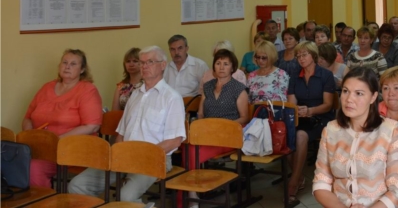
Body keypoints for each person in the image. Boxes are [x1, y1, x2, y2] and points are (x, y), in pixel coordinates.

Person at [69, 46, 185, 202]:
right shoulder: (135, 95)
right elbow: (121, 133)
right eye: (142, 62)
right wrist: (118, 155)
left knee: (125, 197)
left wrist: (140, 156)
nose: (144, 66)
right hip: (124, 155)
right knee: (77, 185)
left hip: (155, 158)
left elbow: (174, 140)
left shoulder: (172, 97)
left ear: (163, 65)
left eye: (150, 62)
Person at [313, 67, 398, 208]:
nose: (349, 99)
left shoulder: (391, 131)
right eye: (345, 91)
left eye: (359, 93)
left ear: (373, 97)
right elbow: (320, 183)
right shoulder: (331, 130)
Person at [23, 49, 103, 188]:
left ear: (82, 69)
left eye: (73, 64)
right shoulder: (46, 87)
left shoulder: (88, 90)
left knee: (33, 167)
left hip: (74, 148)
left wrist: (56, 140)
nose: (67, 66)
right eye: (64, 62)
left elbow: (92, 126)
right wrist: (30, 137)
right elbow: (28, 117)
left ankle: (45, 202)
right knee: (15, 161)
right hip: (43, 148)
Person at [187, 49, 248, 207]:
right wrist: (200, 127)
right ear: (213, 66)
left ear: (232, 67)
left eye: (226, 64)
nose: (221, 67)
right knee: (187, 146)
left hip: (227, 135)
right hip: (206, 134)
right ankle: (192, 190)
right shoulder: (207, 87)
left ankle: (192, 196)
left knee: (193, 151)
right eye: (218, 63)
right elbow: (200, 113)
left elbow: (244, 117)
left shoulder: (239, 88)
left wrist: (223, 127)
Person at [287, 41, 335, 205]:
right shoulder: (294, 75)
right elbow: (291, 102)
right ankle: (300, 177)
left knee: (300, 136)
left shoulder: (325, 75)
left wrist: (310, 110)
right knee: (284, 135)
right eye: (298, 56)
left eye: (304, 54)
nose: (301, 58)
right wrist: (297, 110)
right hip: (300, 117)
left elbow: (328, 104)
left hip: (321, 117)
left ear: (313, 55)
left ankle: (292, 184)